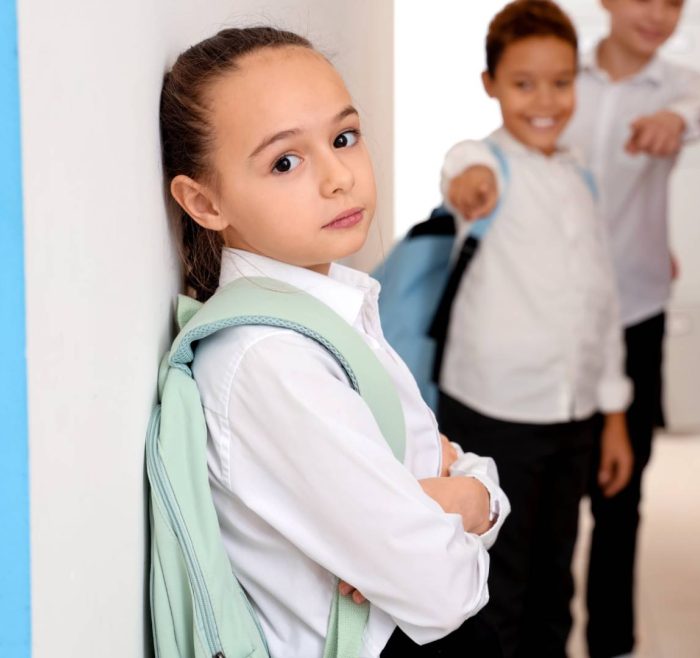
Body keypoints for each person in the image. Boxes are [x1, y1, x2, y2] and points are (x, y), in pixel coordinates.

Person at [159, 26, 512, 657]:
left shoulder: (331, 315)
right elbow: (442, 590)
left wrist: (471, 496)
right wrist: (466, 498)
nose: (338, 177)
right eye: (285, 162)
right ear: (204, 202)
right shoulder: (270, 359)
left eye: (344, 137)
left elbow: (457, 477)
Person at [433, 2, 634, 655]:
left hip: (571, 417)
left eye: (560, 82)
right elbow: (462, 167)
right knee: (497, 588)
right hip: (495, 415)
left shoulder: (580, 177)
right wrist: (468, 183)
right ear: (490, 84)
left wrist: (613, 416)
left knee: (554, 581)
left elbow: (603, 306)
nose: (545, 100)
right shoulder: (487, 164)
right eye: (523, 84)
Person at [560, 0, 700, 653]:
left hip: (635, 313)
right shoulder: (563, 78)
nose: (657, 14)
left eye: (673, 2)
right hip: (558, 316)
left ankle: (612, 639)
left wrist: (671, 121)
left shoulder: (680, 87)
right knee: (555, 487)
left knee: (621, 492)